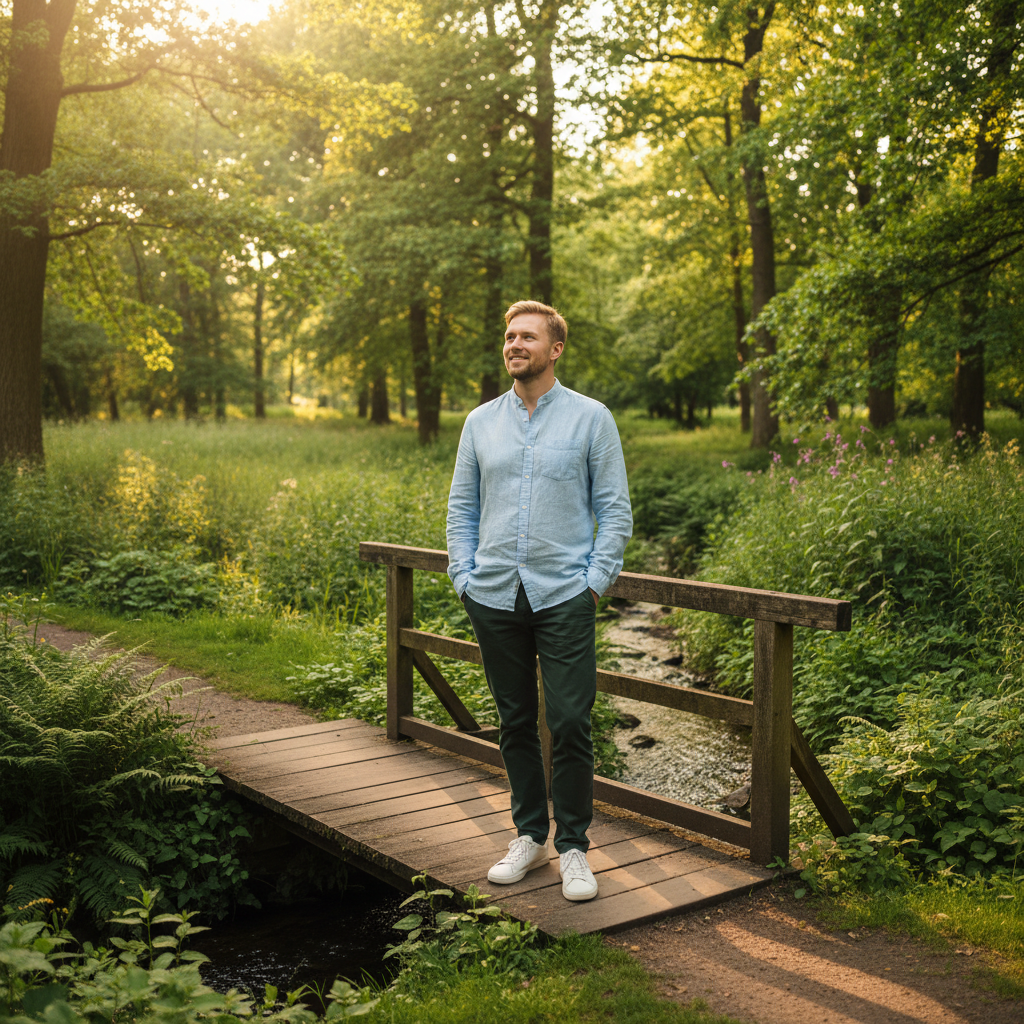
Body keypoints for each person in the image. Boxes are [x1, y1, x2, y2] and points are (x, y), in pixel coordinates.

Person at [446, 300, 632, 902]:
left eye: (527, 336)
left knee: (572, 721)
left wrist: (595, 581)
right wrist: (463, 577)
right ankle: (529, 835)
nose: (514, 344)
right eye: (508, 336)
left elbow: (615, 510)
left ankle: (574, 846)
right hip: (495, 593)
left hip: (563, 594)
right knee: (515, 722)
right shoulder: (480, 423)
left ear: (555, 348)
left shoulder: (592, 419)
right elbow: (462, 510)